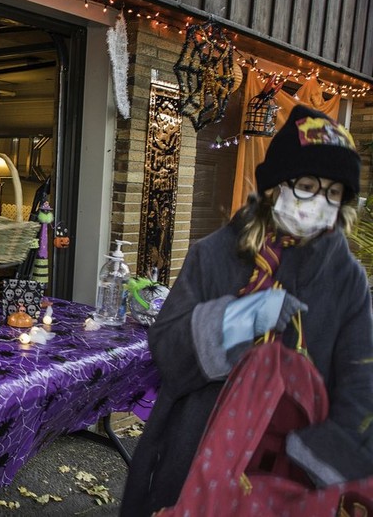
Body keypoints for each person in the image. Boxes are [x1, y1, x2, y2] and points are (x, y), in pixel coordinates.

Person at [120, 104, 373, 516]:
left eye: (332, 192)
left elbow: (361, 384)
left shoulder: (347, 279)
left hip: (291, 483)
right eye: (307, 185)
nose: (318, 203)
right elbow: (166, 349)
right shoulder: (216, 254)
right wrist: (241, 318)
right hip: (194, 463)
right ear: (277, 187)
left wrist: (314, 458)